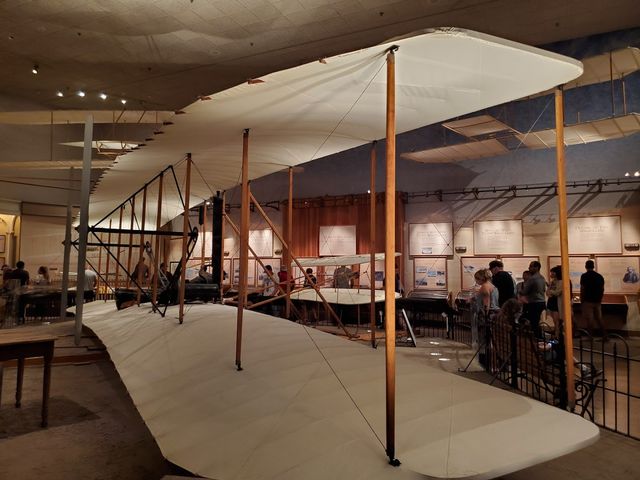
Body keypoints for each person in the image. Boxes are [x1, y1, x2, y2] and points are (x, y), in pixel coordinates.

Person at [580, 260, 605, 337]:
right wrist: (600, 298)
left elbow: (582, 289)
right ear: (593, 266)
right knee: (599, 319)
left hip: (588, 301)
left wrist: (582, 300)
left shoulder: (584, 276)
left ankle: (590, 337)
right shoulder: (599, 276)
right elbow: (602, 289)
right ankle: (605, 335)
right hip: (597, 301)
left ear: (586, 266)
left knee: (590, 320)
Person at [521, 260, 546, 338]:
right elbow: (544, 290)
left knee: (533, 321)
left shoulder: (532, 279)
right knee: (536, 320)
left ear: (536, 267)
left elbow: (525, 291)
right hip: (541, 302)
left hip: (534, 303)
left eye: (531, 266)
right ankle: (538, 337)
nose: (529, 268)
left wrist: (520, 291)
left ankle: (537, 338)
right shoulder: (542, 277)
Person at [546, 265, 569, 338]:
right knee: (554, 320)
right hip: (552, 301)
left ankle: (558, 335)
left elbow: (557, 292)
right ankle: (557, 334)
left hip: (557, 302)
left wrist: (550, 292)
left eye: (552, 272)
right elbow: (548, 292)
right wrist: (550, 292)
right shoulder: (553, 281)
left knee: (557, 320)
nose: (551, 274)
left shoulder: (561, 282)